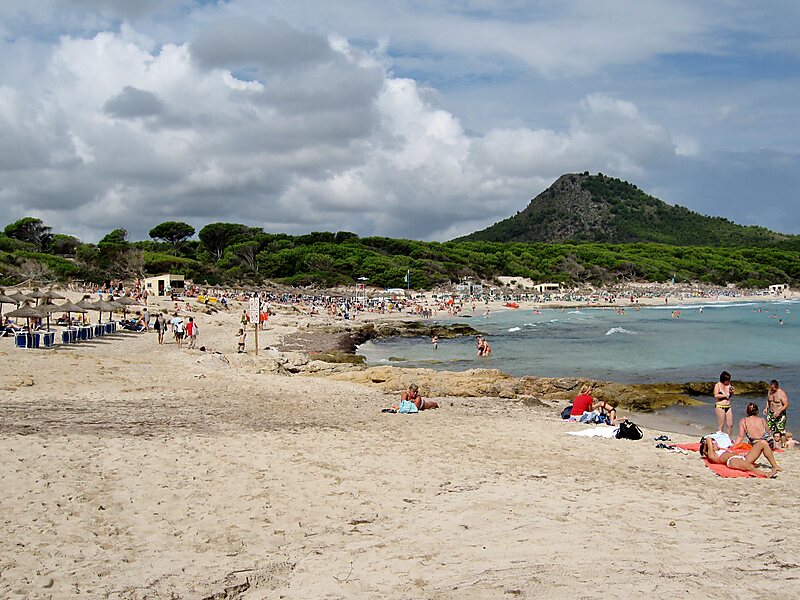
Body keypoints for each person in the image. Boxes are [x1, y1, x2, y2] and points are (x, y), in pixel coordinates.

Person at [699, 435, 781, 478]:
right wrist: (705, 445)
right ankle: (766, 474)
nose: (716, 443)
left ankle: (775, 466)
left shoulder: (723, 450)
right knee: (750, 466)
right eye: (713, 444)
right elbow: (708, 439)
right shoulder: (713, 455)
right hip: (732, 461)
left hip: (742, 458)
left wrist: (740, 455)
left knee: (763, 443)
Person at [713, 371, 735, 436]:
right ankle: (720, 438)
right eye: (727, 380)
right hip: (720, 406)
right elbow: (716, 395)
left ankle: (729, 438)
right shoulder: (717, 385)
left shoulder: (729, 385)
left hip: (728, 406)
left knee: (730, 424)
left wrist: (731, 392)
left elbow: (729, 396)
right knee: (721, 425)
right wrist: (725, 395)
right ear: (724, 380)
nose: (728, 381)